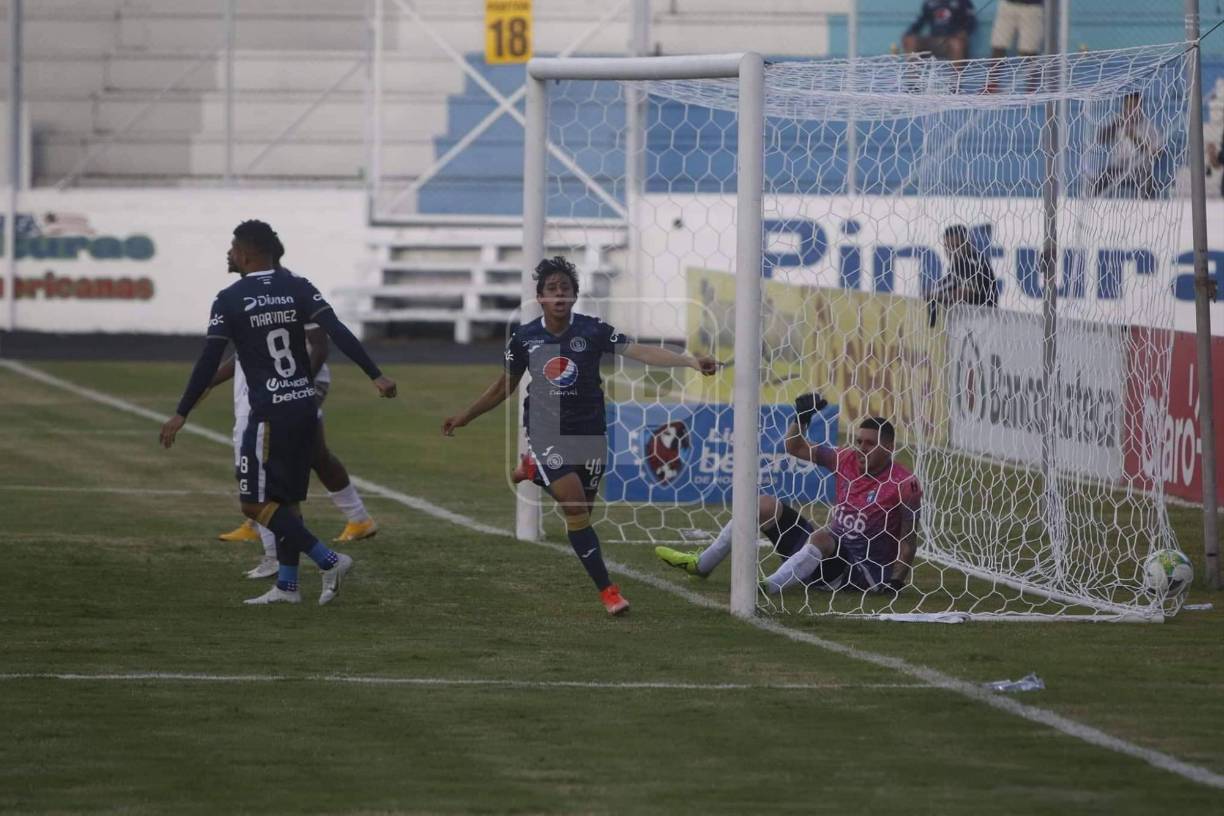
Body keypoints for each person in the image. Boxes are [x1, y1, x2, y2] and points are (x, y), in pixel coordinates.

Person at [442, 256, 720, 616]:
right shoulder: (525, 338)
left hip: (590, 430)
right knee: (573, 505)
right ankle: (609, 591)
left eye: (565, 288)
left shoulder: (592, 330)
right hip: (546, 430)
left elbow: (641, 351)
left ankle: (534, 471)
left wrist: (690, 361)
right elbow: (503, 387)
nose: (559, 294)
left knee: (583, 515)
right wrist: (465, 416)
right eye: (551, 289)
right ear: (539, 297)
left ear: (575, 295)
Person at [160, 220, 397, 606]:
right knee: (286, 500)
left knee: (253, 504)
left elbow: (209, 359)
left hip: (268, 412)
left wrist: (181, 411)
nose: (230, 254)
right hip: (304, 404)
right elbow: (336, 330)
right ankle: (287, 586)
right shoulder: (298, 287)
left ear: (248, 253)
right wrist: (376, 374)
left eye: (234, 248)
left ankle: (329, 560)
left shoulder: (230, 298)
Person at [656, 394, 922, 595]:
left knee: (822, 537)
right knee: (761, 505)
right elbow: (795, 446)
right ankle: (702, 565)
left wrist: (896, 582)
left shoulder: (904, 484)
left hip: (859, 575)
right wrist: (801, 418)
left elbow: (908, 538)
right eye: (859, 441)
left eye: (871, 444)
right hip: (823, 556)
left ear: (889, 447)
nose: (862, 448)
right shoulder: (845, 459)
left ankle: (766, 588)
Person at [214, 315, 379, 581]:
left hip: (306, 382)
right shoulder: (252, 294)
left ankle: (272, 538)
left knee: (281, 457)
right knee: (313, 455)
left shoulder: (291, 291)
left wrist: (298, 384)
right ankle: (265, 526)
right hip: (279, 385)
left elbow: (321, 347)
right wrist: (207, 381)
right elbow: (245, 354)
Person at [1093, 92, 1161, 199]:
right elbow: (1099, 140)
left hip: (1139, 170)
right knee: (1099, 180)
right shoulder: (1117, 123)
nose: (1131, 110)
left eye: (1134, 106)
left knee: (1150, 184)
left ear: (1140, 107)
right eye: (1128, 106)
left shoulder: (1149, 127)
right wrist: (1116, 124)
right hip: (1117, 168)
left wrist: (1135, 139)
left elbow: (1157, 153)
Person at [928, 224, 998, 326]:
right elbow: (942, 288)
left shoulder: (974, 264)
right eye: (948, 247)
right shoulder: (957, 266)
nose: (952, 251)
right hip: (964, 324)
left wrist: (935, 296)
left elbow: (964, 294)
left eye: (956, 246)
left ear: (967, 244)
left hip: (979, 325)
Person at [984, 0, 1043, 93]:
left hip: (1032, 6)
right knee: (998, 46)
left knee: (1029, 51)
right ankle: (991, 85)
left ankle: (1032, 89)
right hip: (1008, 4)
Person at [902, 0, 977, 63]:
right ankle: (912, 78)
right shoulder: (929, 3)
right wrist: (908, 33)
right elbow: (919, 23)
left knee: (956, 44)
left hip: (951, 40)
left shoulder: (962, 2)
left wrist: (964, 32)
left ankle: (956, 78)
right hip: (934, 40)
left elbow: (971, 22)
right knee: (910, 40)